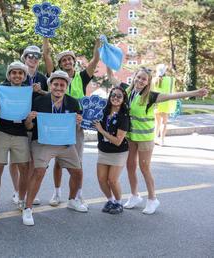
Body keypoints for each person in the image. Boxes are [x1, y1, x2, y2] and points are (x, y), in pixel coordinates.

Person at [108, 67, 208, 214]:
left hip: (145, 138)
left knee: (144, 168)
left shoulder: (151, 96)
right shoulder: (126, 90)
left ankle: (152, 199)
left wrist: (195, 92)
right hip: (131, 136)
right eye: (139, 77)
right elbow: (111, 77)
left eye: (144, 79)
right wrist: (106, 57)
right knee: (130, 166)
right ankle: (135, 196)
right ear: (134, 76)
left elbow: (172, 95)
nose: (140, 81)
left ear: (148, 83)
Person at [22, 71, 87, 226]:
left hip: (64, 143)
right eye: (55, 84)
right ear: (50, 85)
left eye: (62, 85)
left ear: (66, 86)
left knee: (78, 172)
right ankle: (27, 208)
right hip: (43, 142)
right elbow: (29, 127)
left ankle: (72, 200)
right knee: (39, 172)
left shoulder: (72, 102)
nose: (59, 87)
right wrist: (29, 120)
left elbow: (76, 128)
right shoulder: (39, 101)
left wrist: (78, 122)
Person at [46, 38, 101, 207]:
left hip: (77, 124)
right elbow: (46, 56)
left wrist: (97, 46)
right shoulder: (57, 77)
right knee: (58, 161)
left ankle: (77, 194)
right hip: (59, 123)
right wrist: (46, 36)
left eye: (69, 59)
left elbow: (95, 61)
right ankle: (56, 193)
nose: (67, 62)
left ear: (73, 61)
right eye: (64, 60)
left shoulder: (82, 77)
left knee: (78, 161)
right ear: (60, 64)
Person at [0, 61, 31, 217]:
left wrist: (41, 91)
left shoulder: (29, 91)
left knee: (24, 169)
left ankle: (21, 199)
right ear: (9, 75)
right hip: (1, 132)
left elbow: (44, 100)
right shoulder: (0, 89)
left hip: (21, 133)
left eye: (20, 73)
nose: (17, 75)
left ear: (24, 76)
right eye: (14, 73)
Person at [9, 43, 50, 205]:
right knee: (15, 160)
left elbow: (52, 95)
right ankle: (17, 190)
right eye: (30, 56)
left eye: (37, 56)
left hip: (35, 123)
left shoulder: (43, 78)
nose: (33, 58)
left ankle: (28, 190)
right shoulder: (17, 75)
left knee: (32, 160)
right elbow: (8, 94)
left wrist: (41, 91)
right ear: (24, 58)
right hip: (16, 122)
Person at [93, 86, 130, 214]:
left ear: (123, 99)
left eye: (119, 96)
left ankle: (119, 203)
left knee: (112, 180)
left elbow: (118, 141)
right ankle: (110, 200)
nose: (115, 98)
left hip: (118, 153)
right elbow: (90, 119)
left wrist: (101, 130)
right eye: (113, 95)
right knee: (102, 179)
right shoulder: (103, 111)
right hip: (103, 150)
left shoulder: (124, 116)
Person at [153, 64, 176, 146]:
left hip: (157, 104)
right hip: (166, 104)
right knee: (164, 123)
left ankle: (155, 138)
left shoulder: (154, 80)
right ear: (165, 71)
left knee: (157, 122)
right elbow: (174, 82)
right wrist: (173, 71)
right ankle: (162, 140)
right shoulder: (171, 79)